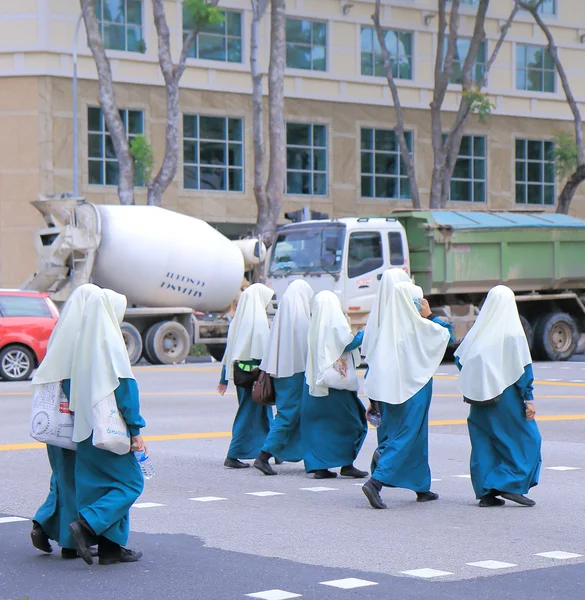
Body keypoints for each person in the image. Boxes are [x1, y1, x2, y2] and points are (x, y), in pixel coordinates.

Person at [66, 289, 146, 566]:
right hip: (108, 431)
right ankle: (87, 526)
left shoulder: (79, 346)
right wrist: (136, 431)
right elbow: (127, 391)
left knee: (98, 487)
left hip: (84, 429)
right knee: (131, 483)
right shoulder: (112, 343)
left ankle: (111, 548)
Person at [362, 282, 453, 509]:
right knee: (409, 435)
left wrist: (373, 401)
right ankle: (376, 482)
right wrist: (430, 314)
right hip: (415, 392)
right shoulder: (421, 327)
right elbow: (448, 335)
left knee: (410, 436)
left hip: (388, 393)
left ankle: (421, 486)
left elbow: (374, 368)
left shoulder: (386, 330)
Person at [30, 283, 102, 559]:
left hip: (53, 421)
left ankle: (43, 522)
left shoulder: (60, 336)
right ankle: (70, 541)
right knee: (76, 478)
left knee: (61, 474)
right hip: (74, 421)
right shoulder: (87, 338)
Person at [454, 285, 541, 508]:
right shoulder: (513, 333)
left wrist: (481, 380)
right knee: (528, 439)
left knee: (484, 442)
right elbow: (523, 370)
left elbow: (460, 360)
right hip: (508, 398)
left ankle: (486, 492)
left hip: (480, 399)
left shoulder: (478, 331)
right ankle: (511, 484)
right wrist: (528, 399)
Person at [302, 291, 368, 480]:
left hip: (316, 384)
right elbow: (347, 343)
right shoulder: (335, 322)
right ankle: (347, 463)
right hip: (336, 387)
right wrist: (364, 333)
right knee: (354, 422)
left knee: (320, 427)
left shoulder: (315, 327)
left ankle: (320, 466)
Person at [254, 280, 314, 475]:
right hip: (295, 374)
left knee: (287, 414)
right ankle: (264, 455)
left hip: (279, 372)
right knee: (288, 415)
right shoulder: (302, 321)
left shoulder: (281, 318)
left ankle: (283, 451)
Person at [217, 283, 275, 468]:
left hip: (242, 376)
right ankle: (233, 454)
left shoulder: (238, 320)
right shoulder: (257, 320)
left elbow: (229, 353)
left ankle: (272, 449)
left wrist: (223, 378)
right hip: (255, 377)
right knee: (249, 414)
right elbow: (263, 350)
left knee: (264, 413)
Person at [361, 268, 411, 472]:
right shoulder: (407, 317)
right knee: (407, 430)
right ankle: (384, 471)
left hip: (379, 383)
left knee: (387, 429)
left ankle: (383, 462)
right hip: (403, 384)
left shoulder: (377, 318)